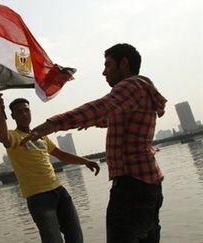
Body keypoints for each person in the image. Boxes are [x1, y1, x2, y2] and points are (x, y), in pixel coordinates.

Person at [21, 43, 167, 243]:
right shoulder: (141, 89)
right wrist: (97, 122)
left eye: (108, 65)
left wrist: (51, 125)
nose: (103, 72)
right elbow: (118, 117)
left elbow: (102, 107)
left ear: (124, 63)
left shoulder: (130, 85)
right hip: (147, 185)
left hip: (132, 188)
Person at [0, 90, 100, 243]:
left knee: (75, 236)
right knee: (53, 239)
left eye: (26, 110)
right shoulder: (14, 136)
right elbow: (3, 137)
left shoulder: (40, 135)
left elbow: (61, 155)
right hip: (38, 198)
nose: (24, 114)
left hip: (59, 192)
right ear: (13, 116)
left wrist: (85, 161)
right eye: (19, 112)